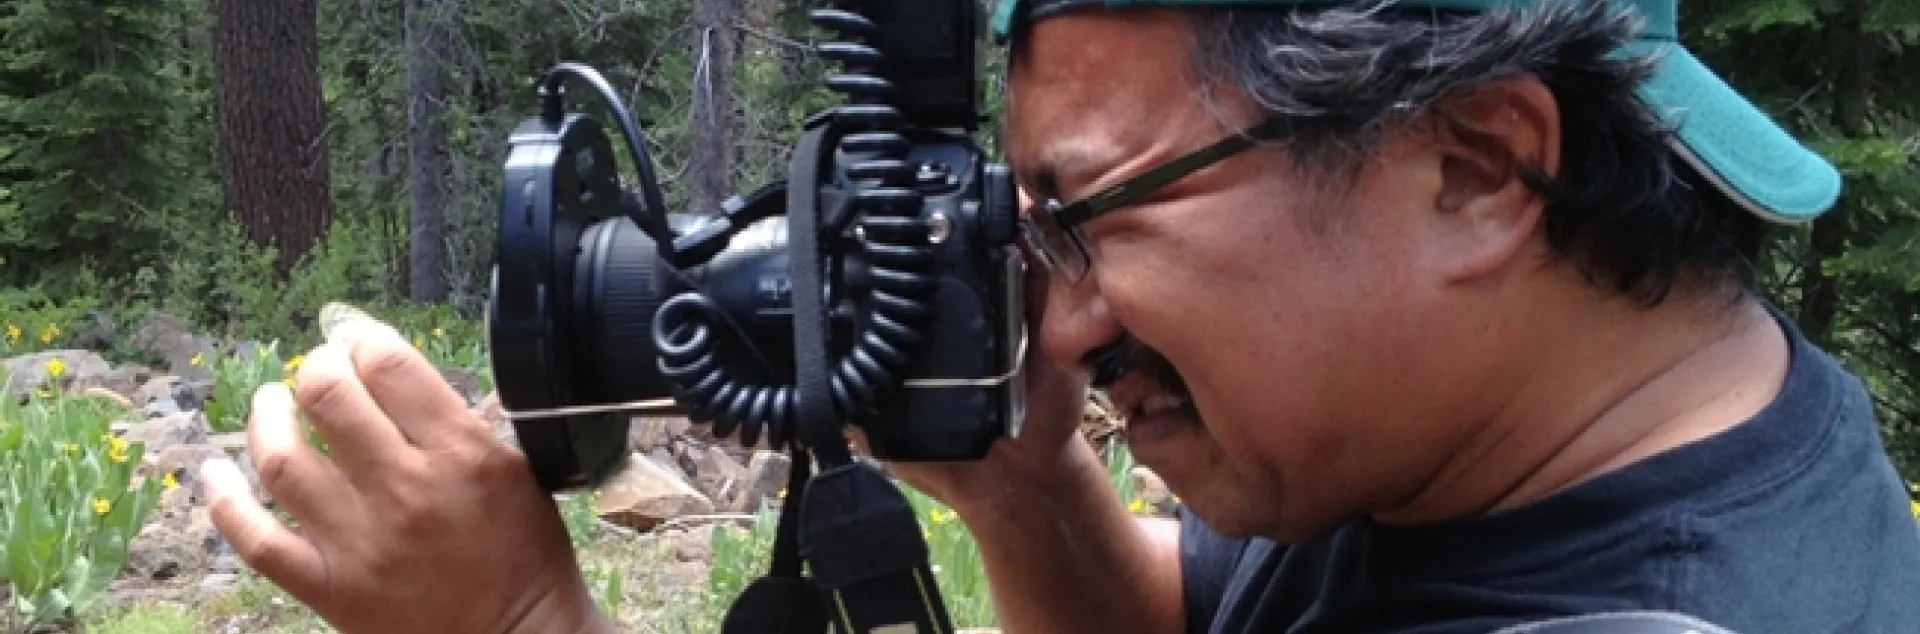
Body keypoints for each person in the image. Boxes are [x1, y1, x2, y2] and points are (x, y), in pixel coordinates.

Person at [198, 0, 1920, 632]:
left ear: (1476, 164)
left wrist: (513, 621)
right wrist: (1016, 479)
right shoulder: (1494, 441)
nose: (1055, 314)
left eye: (1082, 214)